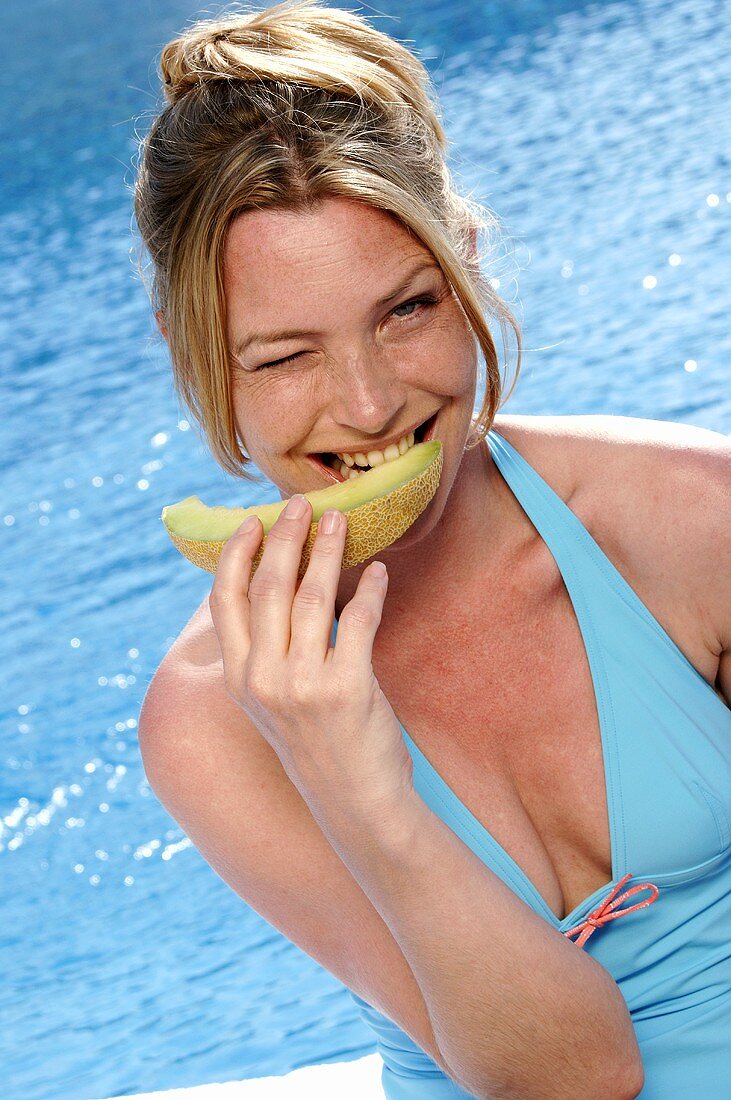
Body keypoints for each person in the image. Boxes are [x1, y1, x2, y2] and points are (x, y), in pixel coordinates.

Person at [133, 2, 731, 1097]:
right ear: (199, 359)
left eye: (406, 309)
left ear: (461, 262)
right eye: (282, 356)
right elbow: (571, 1076)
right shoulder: (214, 719)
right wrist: (354, 786)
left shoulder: (692, 522)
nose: (367, 404)